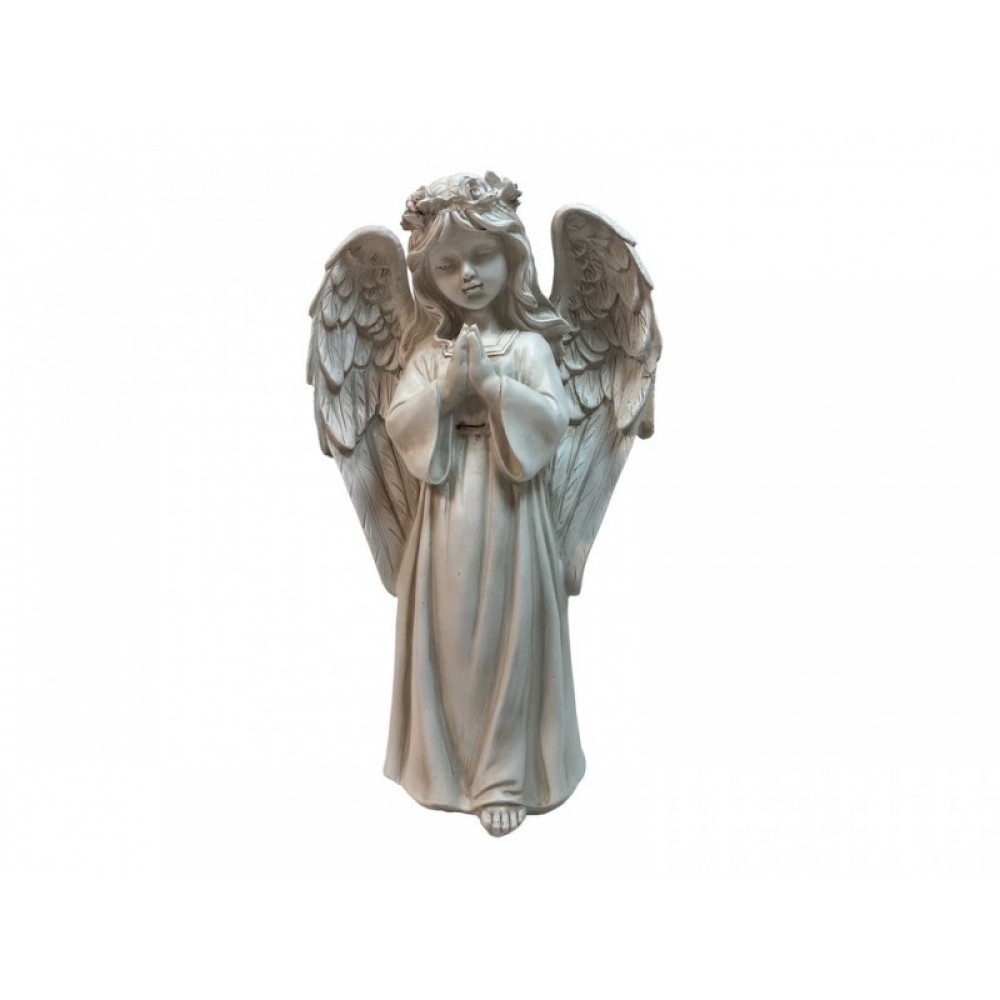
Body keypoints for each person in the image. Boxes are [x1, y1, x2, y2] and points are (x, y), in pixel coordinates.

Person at [383, 175, 586, 836]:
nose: (466, 276)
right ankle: (443, 766)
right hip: (444, 510)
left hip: (511, 505)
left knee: (510, 631)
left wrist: (494, 386)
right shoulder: (426, 354)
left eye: (480, 258)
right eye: (446, 265)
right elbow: (400, 424)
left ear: (511, 256)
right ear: (428, 276)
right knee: (448, 632)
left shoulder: (528, 348)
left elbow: (553, 421)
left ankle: (505, 774)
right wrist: (445, 393)